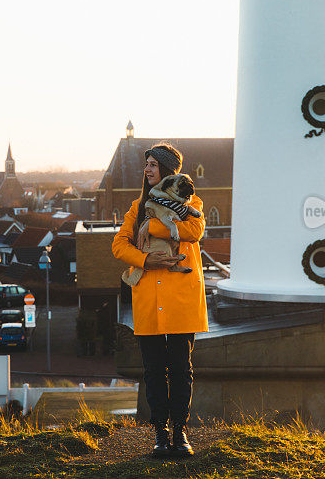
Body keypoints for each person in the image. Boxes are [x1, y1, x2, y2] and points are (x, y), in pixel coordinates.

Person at [111, 143, 207, 458]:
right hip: (149, 297)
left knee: (181, 368)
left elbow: (194, 231)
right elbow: (118, 245)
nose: (148, 170)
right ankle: (161, 434)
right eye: (147, 164)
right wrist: (144, 260)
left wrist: (151, 226)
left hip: (180, 297)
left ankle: (180, 433)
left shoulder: (190, 203)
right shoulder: (136, 206)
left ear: (168, 171)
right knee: (153, 370)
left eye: (154, 165)